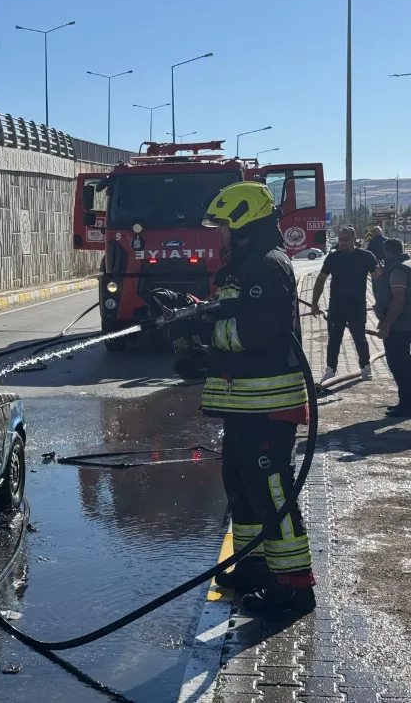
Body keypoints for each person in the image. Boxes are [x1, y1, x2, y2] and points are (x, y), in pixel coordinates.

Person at [156, 181, 316, 616]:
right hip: (245, 406)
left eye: (224, 224)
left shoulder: (266, 265)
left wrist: (201, 331)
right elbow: (231, 312)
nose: (220, 232)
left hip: (268, 405)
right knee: (243, 489)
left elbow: (258, 330)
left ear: (245, 220)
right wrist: (190, 308)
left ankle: (295, 586)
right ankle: (255, 568)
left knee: (271, 492)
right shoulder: (245, 265)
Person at [310, 226, 379, 383]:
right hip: (336, 305)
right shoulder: (333, 258)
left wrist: (379, 302)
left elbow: (377, 279)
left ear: (355, 239)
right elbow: (321, 280)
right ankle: (330, 369)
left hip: (357, 305)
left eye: (346, 240)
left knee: (359, 337)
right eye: (340, 240)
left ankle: (365, 366)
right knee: (334, 339)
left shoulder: (366, 257)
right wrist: (314, 303)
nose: (343, 243)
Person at [373, 239, 411, 417]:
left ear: (387, 253)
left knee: (400, 365)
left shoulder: (397, 270)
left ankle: (406, 405)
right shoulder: (404, 265)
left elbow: (398, 300)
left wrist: (386, 324)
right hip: (403, 324)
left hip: (401, 325)